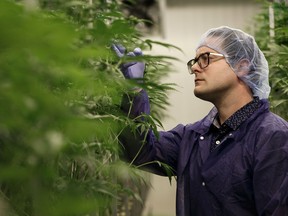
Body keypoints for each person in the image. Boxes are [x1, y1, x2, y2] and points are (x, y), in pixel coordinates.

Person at [113, 26, 288, 216]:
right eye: (195, 61)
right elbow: (140, 152)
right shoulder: (192, 137)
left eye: (206, 58)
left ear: (241, 66)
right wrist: (134, 93)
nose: (195, 67)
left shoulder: (272, 137)